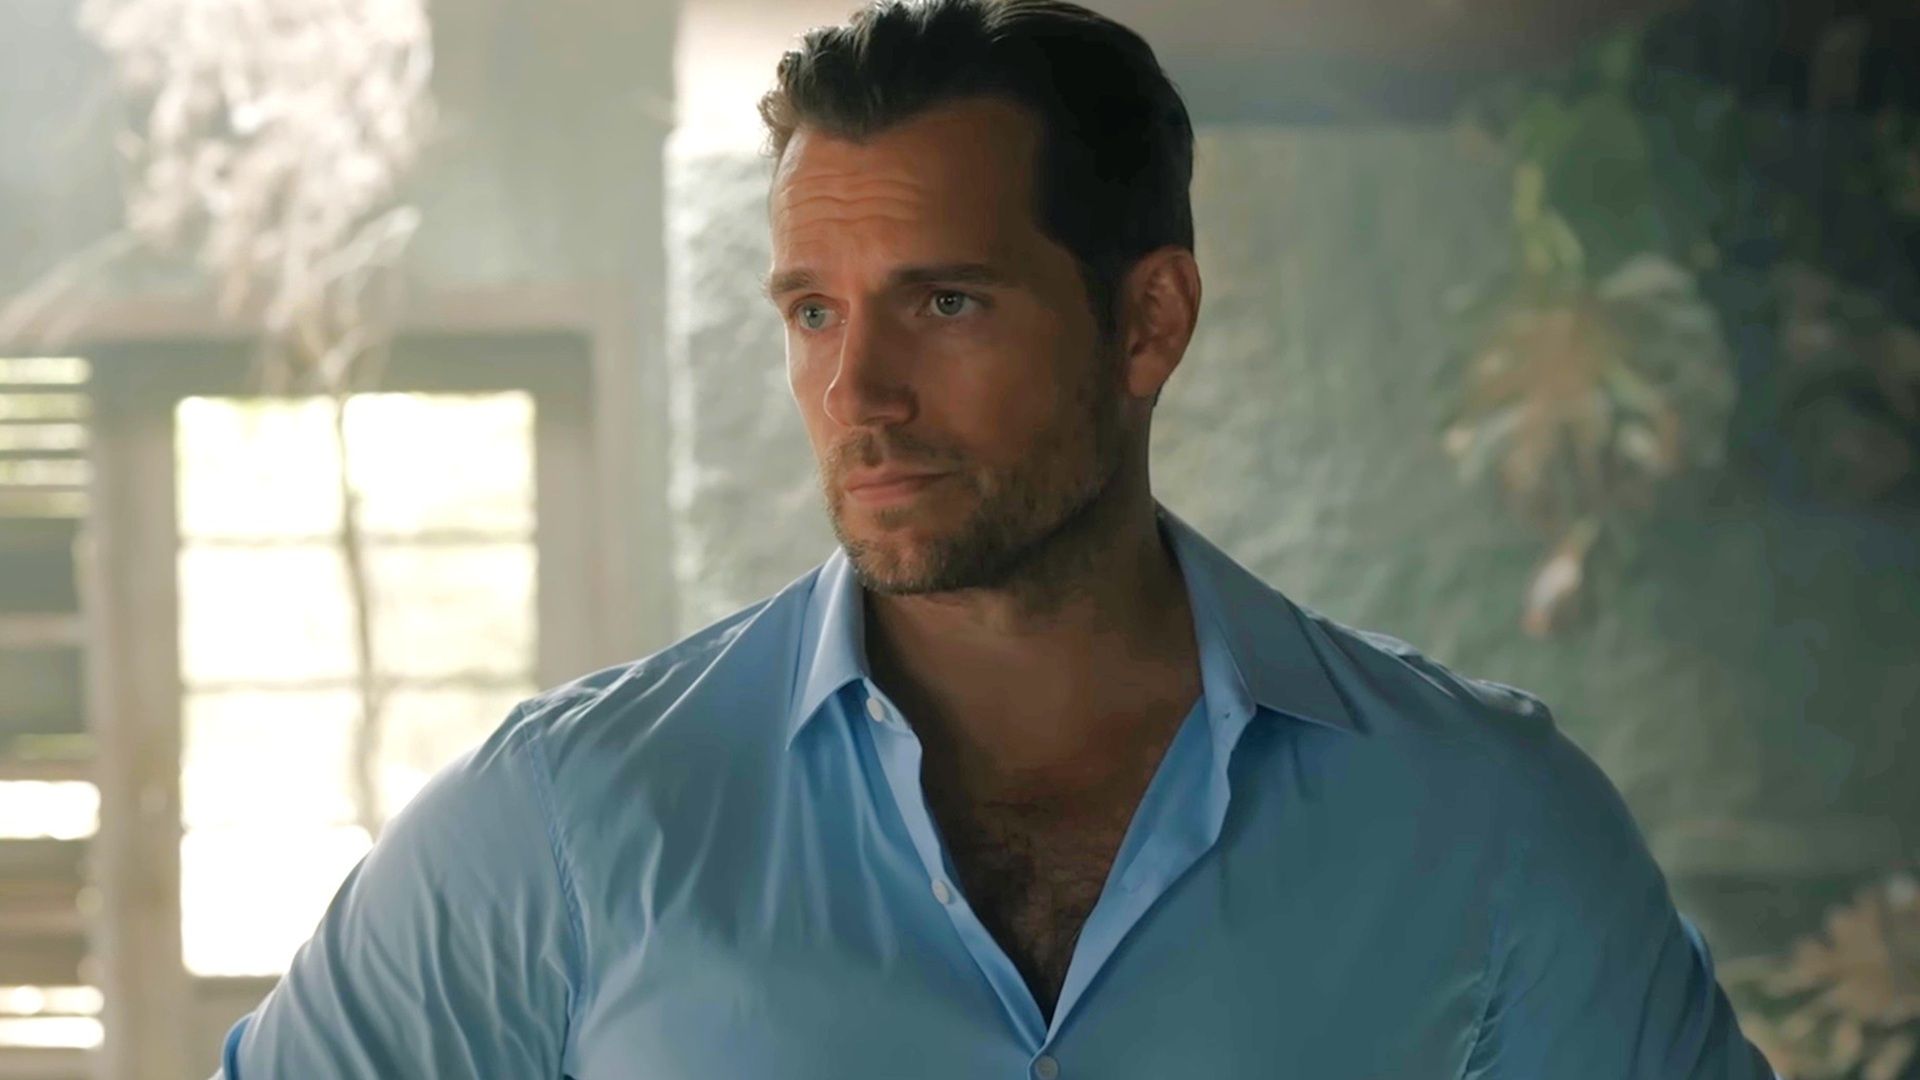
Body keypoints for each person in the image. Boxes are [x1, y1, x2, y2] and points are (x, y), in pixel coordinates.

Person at [218, 0, 1779, 1076]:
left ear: (1148, 320)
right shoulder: (566, 823)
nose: (858, 392)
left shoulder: (1483, 821)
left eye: (945, 301)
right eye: (813, 312)